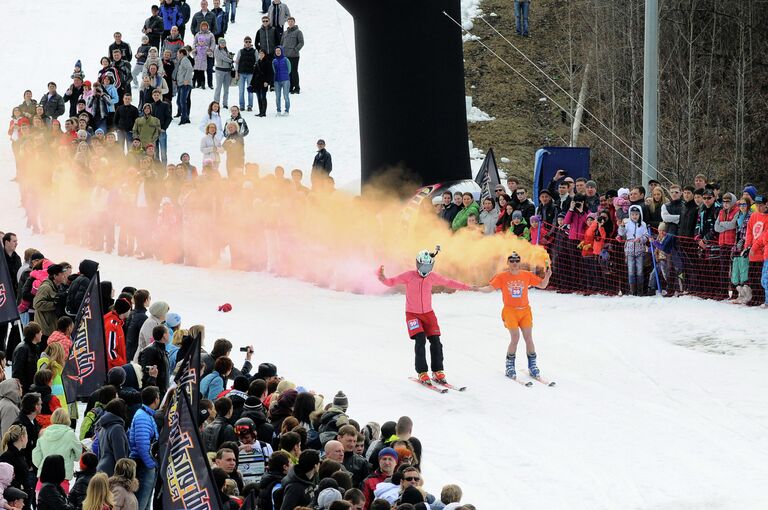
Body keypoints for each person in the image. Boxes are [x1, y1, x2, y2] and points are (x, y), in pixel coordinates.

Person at [378, 248, 471, 384]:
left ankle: (438, 371)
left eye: (428, 266)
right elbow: (391, 282)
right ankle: (422, 372)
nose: (425, 269)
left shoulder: (432, 277)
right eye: (423, 266)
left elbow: (449, 282)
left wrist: (467, 287)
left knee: (436, 341)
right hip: (413, 314)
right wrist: (382, 278)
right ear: (417, 264)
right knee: (420, 340)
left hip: (428, 314)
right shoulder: (409, 276)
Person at [478, 252, 552, 380]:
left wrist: (547, 276)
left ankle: (532, 365)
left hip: (525, 311)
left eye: (517, 260)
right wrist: (478, 289)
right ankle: (510, 365)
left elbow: (542, 285)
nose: (514, 263)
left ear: (520, 262)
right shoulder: (502, 276)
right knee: (515, 337)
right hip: (510, 311)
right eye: (511, 261)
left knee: (528, 337)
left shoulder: (526, 274)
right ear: (508, 263)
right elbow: (490, 288)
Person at [32, 408, 81, 491]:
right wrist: (70, 456)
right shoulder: (70, 434)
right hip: (62, 476)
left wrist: (43, 464)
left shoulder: (43, 433)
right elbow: (78, 456)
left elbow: (36, 457)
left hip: (43, 476)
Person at [128, 387, 160, 510]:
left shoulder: (147, 414)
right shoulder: (143, 417)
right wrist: (151, 464)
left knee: (146, 502)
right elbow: (142, 446)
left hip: (145, 463)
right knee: (141, 501)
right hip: (143, 464)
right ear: (155, 399)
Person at [618, 205, 650, 296]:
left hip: (640, 251)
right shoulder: (627, 223)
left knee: (640, 270)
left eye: (636, 214)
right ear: (630, 215)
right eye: (632, 214)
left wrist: (641, 239)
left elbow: (646, 236)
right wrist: (622, 227)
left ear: (640, 215)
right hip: (629, 251)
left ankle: (640, 291)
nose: (634, 216)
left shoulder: (643, 224)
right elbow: (621, 233)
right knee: (631, 270)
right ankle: (633, 291)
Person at [12, 322, 42, 393]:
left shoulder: (35, 347)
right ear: (35, 335)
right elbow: (17, 372)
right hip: (26, 388)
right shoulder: (22, 349)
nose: (41, 334)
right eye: (40, 332)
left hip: (33, 385)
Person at [281, 17, 303, 94]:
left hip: (294, 56)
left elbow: (301, 42)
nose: (290, 23)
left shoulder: (298, 32)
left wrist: (295, 49)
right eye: (289, 21)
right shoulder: (285, 32)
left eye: (291, 21)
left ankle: (297, 87)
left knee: (294, 71)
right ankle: (290, 87)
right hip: (286, 56)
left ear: (294, 22)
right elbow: (282, 43)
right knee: (288, 72)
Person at [252, 49, 273, 117]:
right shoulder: (257, 62)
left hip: (264, 82)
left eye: (262, 53)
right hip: (257, 83)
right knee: (258, 98)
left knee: (263, 97)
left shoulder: (267, 62)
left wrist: (267, 82)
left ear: (265, 54)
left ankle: (263, 112)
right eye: (260, 53)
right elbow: (254, 74)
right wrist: (251, 83)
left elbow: (269, 73)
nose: (261, 54)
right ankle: (260, 111)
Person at [175, 48, 194, 125]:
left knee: (182, 101)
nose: (177, 55)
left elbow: (190, 68)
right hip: (180, 84)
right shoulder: (182, 60)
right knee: (179, 101)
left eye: (178, 53)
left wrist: (186, 79)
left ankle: (184, 119)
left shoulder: (185, 60)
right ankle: (185, 116)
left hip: (185, 84)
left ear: (181, 54)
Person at [214, 38, 233, 108]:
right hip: (220, 70)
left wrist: (230, 56)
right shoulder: (217, 50)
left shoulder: (226, 50)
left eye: (224, 43)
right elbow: (223, 57)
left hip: (227, 71)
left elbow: (227, 58)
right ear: (219, 43)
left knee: (226, 89)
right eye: (221, 43)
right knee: (218, 87)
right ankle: (216, 102)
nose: (223, 44)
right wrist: (231, 60)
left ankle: (225, 103)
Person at [271, 46, 291, 115]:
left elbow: (289, 69)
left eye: (279, 51)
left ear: (281, 51)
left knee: (286, 96)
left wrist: (285, 75)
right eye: (276, 51)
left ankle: (287, 111)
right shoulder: (274, 61)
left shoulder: (286, 59)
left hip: (285, 80)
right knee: (277, 96)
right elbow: (273, 71)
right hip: (277, 81)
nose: (278, 52)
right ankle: (278, 110)